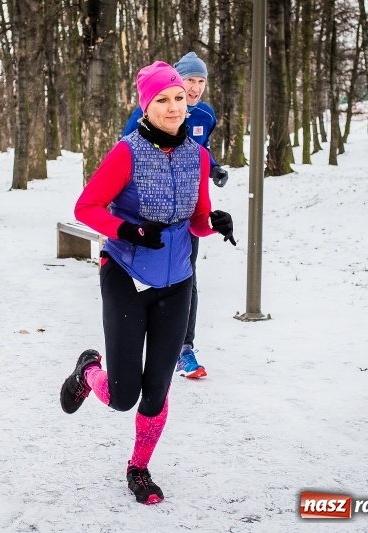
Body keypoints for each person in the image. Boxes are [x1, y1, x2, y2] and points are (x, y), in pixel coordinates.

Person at [59, 61, 236, 505]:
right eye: (163, 99)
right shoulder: (127, 152)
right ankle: (88, 372)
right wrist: (127, 230)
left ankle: (138, 468)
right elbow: (87, 207)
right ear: (147, 105)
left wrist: (213, 223)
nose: (175, 106)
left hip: (177, 280)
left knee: (156, 391)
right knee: (123, 396)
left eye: (179, 97)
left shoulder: (196, 155)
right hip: (126, 273)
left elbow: (194, 221)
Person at [125, 51, 226, 379]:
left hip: (186, 210)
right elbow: (125, 152)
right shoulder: (144, 113)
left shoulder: (206, 116)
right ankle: (135, 342)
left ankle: (184, 349)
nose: (195, 88)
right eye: (189, 80)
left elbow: (200, 152)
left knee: (187, 275)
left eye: (201, 81)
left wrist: (214, 169)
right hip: (149, 211)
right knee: (142, 277)